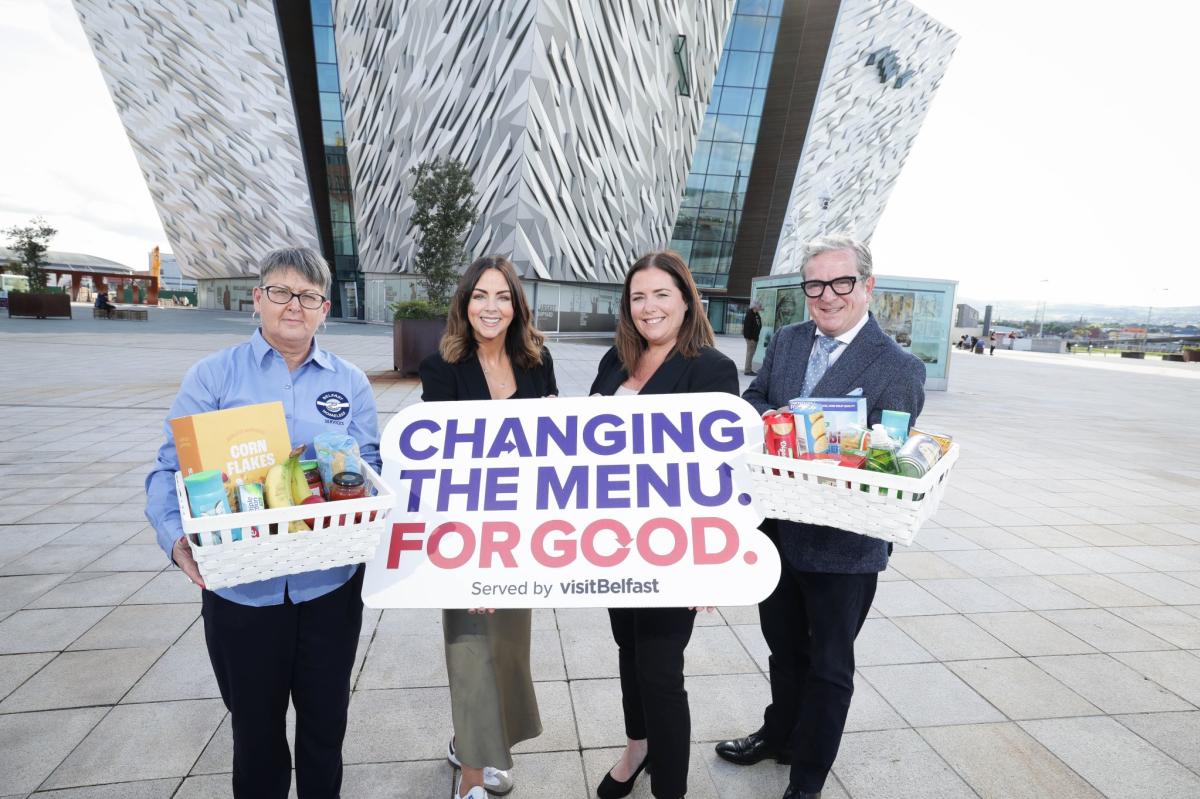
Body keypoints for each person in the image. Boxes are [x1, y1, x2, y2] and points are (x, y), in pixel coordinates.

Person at [145, 247, 380, 799]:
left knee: (326, 729)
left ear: (325, 307)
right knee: (255, 734)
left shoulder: (350, 384)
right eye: (281, 292)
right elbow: (167, 468)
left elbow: (370, 464)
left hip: (330, 586)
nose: (293, 306)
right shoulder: (213, 377)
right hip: (242, 594)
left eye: (308, 296)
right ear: (258, 299)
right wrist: (176, 539)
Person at [717, 235, 925, 799]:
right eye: (815, 284)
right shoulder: (786, 341)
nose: (828, 296)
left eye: (842, 283)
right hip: (777, 529)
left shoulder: (898, 367)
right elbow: (754, 397)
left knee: (829, 668)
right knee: (783, 650)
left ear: (867, 286)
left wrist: (829, 443)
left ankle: (806, 779)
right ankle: (778, 734)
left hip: (844, 544)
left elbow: (892, 458)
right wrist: (772, 417)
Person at [589, 250, 739, 799]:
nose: (648, 307)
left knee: (660, 671)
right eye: (638, 297)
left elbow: (721, 473)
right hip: (613, 542)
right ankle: (638, 748)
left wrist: (708, 564)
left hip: (672, 549)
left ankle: (669, 789)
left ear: (685, 300)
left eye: (661, 294)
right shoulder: (614, 361)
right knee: (628, 653)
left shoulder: (711, 368)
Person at [419, 255, 555, 799]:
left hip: (519, 531)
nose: (491, 307)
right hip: (464, 532)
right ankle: (472, 775)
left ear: (517, 306)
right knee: (470, 646)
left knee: (508, 646)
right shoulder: (442, 367)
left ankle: (480, 741)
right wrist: (467, 556)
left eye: (502, 296)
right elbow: (440, 467)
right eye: (481, 296)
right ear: (465, 304)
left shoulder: (536, 362)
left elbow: (553, 446)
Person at [743, 300, 764, 375]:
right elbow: (747, 327)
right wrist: (750, 338)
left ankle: (749, 369)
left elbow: (758, 325)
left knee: (751, 353)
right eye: (759, 306)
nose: (760, 308)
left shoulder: (756, 314)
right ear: (755, 307)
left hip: (755, 337)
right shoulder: (750, 314)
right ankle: (747, 370)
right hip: (751, 338)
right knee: (750, 353)